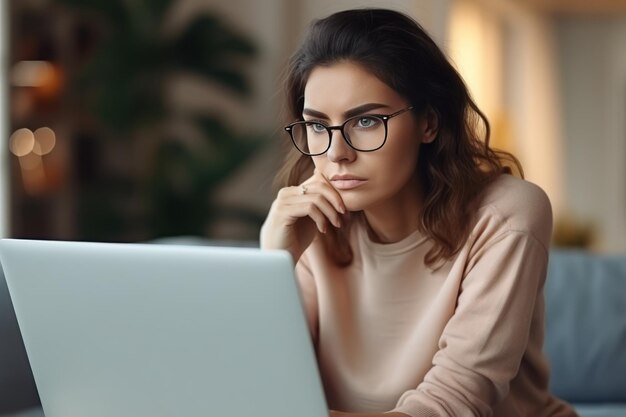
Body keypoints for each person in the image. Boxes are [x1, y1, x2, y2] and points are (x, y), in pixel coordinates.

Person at [260, 8, 578, 417]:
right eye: (318, 126)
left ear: (429, 122)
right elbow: (261, 389)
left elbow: (452, 405)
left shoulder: (505, 215)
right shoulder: (308, 221)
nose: (337, 153)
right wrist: (275, 263)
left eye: (367, 121)